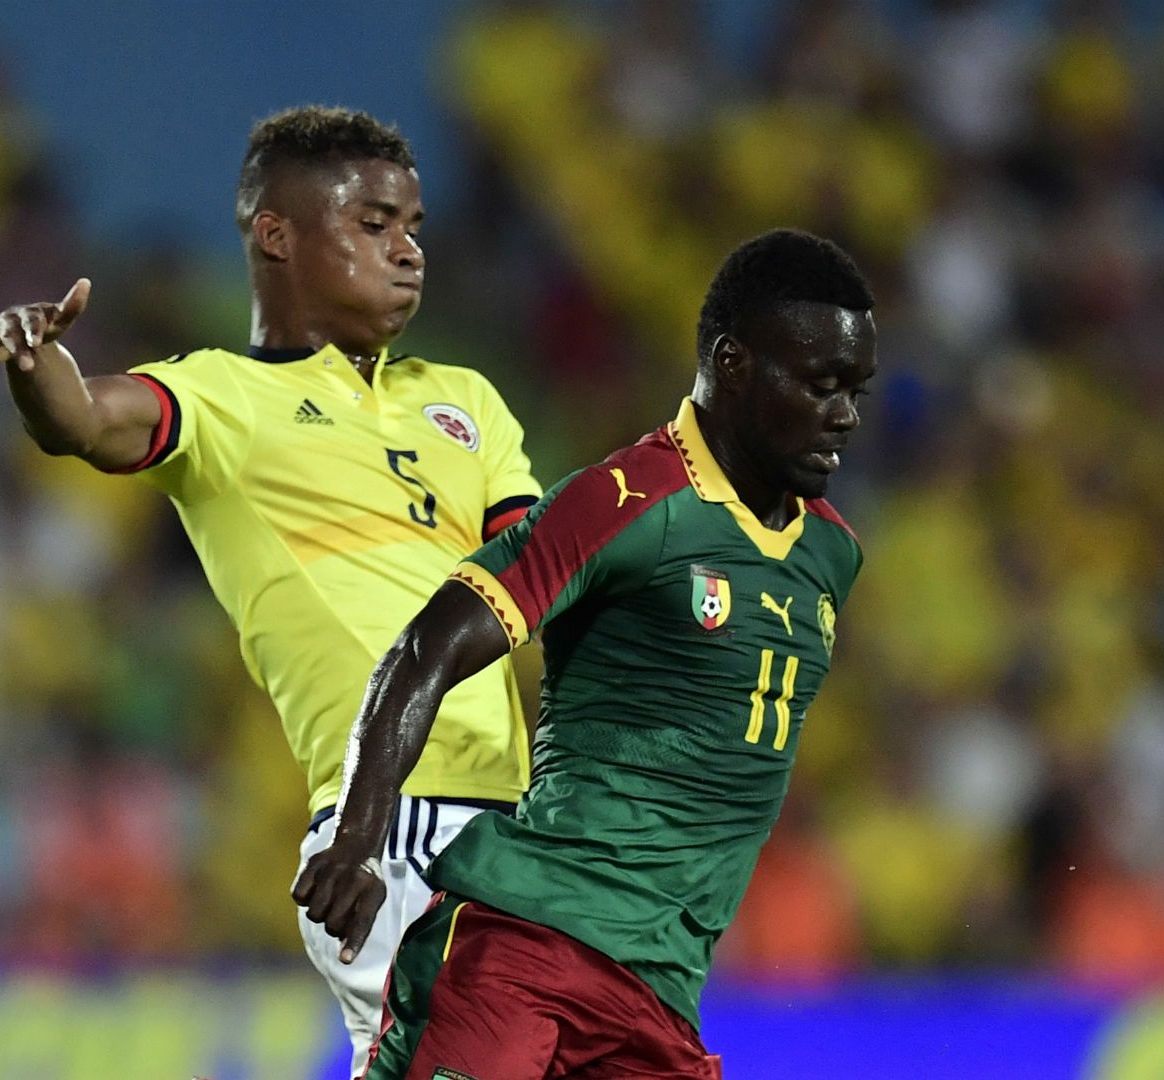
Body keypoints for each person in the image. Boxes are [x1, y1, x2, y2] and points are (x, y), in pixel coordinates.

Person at [0, 106, 540, 1071]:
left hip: (527, 821)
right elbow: (86, 420)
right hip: (391, 832)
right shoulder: (224, 397)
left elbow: (544, 581)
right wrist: (36, 363)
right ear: (277, 234)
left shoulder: (468, 401)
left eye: (415, 229)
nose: (409, 252)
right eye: (374, 225)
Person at [296, 228, 877, 1078]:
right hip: (526, 950)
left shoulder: (832, 556)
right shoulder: (627, 504)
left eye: (855, 390)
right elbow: (427, 647)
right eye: (822, 385)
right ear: (734, 363)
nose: (846, 415)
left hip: (658, 1000)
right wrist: (356, 839)